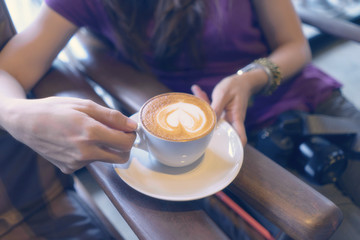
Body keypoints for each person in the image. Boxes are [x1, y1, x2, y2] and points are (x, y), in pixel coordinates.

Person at [0, 0, 359, 239]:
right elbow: (7, 72)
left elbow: (296, 45)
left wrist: (250, 78)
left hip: (315, 102)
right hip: (223, 143)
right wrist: (17, 115)